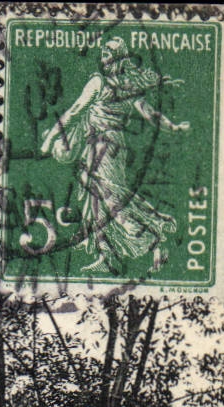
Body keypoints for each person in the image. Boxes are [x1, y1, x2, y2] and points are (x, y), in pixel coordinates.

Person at [40, 38, 189, 273]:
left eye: (108, 52)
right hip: (106, 146)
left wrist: (49, 140)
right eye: (103, 52)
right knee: (96, 201)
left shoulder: (99, 83)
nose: (103, 55)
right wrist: (174, 127)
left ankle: (153, 241)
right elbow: (150, 113)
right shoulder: (127, 87)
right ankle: (106, 254)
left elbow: (75, 111)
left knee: (112, 200)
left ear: (119, 58)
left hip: (104, 148)